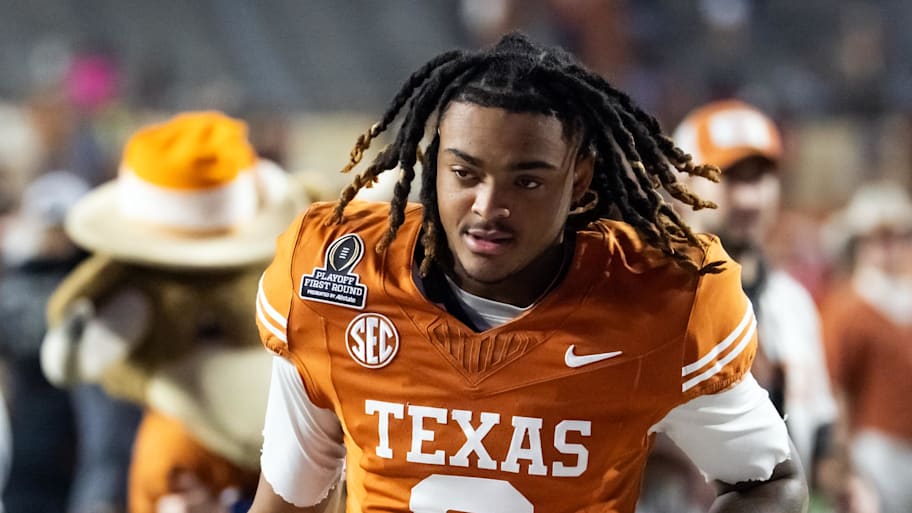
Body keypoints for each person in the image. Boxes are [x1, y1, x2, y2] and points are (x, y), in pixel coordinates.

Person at [250, 33, 806, 513]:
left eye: (528, 181)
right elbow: (291, 501)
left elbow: (771, 482)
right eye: (465, 172)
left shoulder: (658, 300)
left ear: (579, 179)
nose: (489, 206)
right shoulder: (338, 280)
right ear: (433, 162)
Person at [667, 100, 838, 507]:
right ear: (682, 185)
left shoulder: (792, 303)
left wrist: (849, 484)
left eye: (760, 178)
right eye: (728, 178)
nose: (749, 199)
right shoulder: (650, 299)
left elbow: (819, 436)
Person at [820, 181, 912, 513]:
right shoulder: (847, 308)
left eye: (901, 237)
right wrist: (841, 461)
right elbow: (834, 390)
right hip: (875, 448)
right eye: (882, 238)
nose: (892, 249)